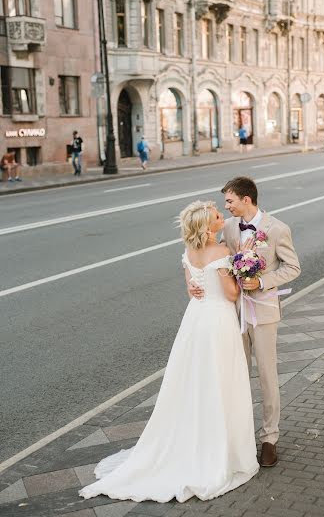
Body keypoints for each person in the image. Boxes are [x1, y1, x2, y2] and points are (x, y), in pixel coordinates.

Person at [80, 200, 258, 503]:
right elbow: (230, 294)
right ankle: (219, 446)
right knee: (220, 380)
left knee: (193, 381)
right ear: (207, 225)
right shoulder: (221, 253)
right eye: (217, 215)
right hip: (217, 321)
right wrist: (244, 272)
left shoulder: (190, 252)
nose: (221, 217)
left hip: (195, 320)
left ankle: (191, 438)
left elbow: (191, 284)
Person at [190, 177, 301, 468]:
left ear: (246, 200)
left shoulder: (277, 229)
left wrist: (261, 280)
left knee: (266, 376)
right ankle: (238, 437)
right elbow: (208, 258)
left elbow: (293, 267)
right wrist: (194, 281)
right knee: (236, 375)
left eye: (230, 201)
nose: (226, 207)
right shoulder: (227, 227)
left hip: (263, 312)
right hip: (231, 313)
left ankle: (269, 439)